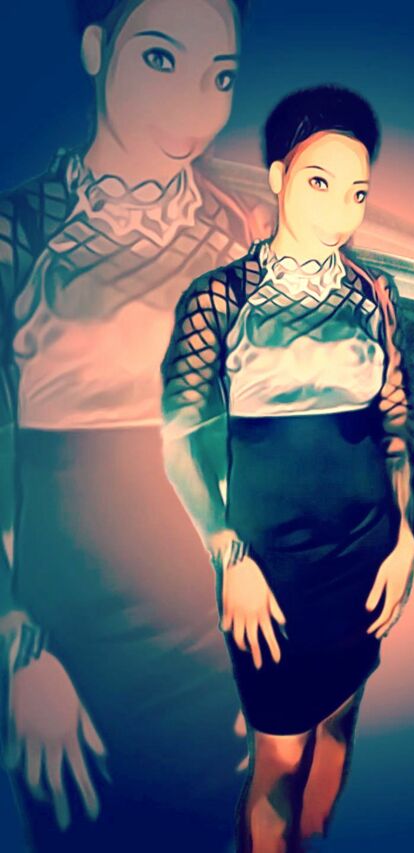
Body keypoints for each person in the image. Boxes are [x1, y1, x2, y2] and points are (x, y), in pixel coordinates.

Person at [0, 0, 267, 849]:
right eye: (159, 59)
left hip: (211, 631)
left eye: (219, 77)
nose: (193, 104)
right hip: (62, 645)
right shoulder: (17, 235)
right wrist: (16, 652)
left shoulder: (244, 232)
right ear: (94, 49)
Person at [161, 84, 414, 852]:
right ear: (278, 176)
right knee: (278, 757)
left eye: (358, 192)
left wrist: (409, 536)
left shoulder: (375, 292)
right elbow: (181, 439)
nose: (341, 210)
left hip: (366, 552)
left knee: (339, 723)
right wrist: (227, 554)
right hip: (269, 568)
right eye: (320, 182)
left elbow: (398, 423)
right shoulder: (221, 298)